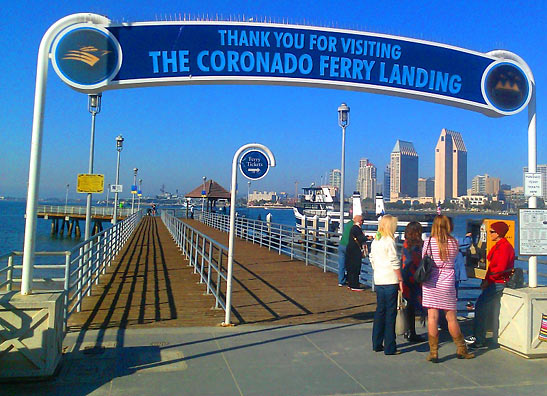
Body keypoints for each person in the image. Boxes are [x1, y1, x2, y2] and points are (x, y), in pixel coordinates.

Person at [422, 215, 474, 362]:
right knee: (451, 318)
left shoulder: (428, 242)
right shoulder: (453, 242)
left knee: (432, 317)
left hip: (431, 282)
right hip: (447, 281)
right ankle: (461, 348)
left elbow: (424, 259)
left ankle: (433, 352)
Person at [465, 221, 514, 349]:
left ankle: (479, 338)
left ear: (499, 233)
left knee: (481, 307)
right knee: (491, 309)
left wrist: (488, 280)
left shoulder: (504, 248)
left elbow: (499, 269)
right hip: (493, 281)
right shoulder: (500, 246)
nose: (489, 234)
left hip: (497, 283)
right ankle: (484, 337)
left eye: (492, 232)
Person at [370, 215, 403, 355]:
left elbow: (371, 257)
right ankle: (390, 346)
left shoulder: (376, 240)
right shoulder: (389, 241)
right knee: (390, 314)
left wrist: (376, 269)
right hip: (390, 280)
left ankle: (377, 343)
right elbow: (394, 262)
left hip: (379, 279)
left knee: (380, 311)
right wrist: (400, 279)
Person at [400, 221, 425, 343]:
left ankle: (408, 330)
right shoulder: (419, 246)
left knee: (408, 306)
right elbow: (418, 261)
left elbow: (404, 260)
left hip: (406, 277)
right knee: (414, 305)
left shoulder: (405, 244)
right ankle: (412, 332)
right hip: (415, 278)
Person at [345, 214, 367, 291]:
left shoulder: (353, 228)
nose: (363, 222)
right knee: (355, 267)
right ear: (360, 221)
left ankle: (350, 284)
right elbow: (360, 238)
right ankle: (355, 285)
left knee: (350, 267)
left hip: (350, 249)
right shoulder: (357, 228)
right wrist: (367, 237)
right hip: (355, 250)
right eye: (362, 220)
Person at [337, 213, 354, 287]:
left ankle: (341, 281)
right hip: (348, 246)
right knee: (351, 264)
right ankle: (350, 280)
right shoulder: (354, 226)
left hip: (341, 245)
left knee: (341, 265)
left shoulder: (348, 223)